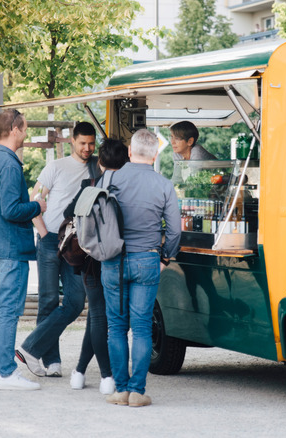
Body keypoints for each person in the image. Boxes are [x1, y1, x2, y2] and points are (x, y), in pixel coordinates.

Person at [15, 122, 101, 380]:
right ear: (72, 141)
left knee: (75, 302)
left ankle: (29, 348)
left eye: (91, 144)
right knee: (49, 301)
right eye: (83, 143)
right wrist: (42, 233)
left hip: (76, 244)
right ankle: (51, 360)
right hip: (51, 238)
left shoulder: (96, 167)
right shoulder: (56, 167)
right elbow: (35, 198)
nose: (87, 148)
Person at [103, 129, 181, 407]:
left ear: (129, 152)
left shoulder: (111, 178)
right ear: (155, 154)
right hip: (147, 260)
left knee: (116, 327)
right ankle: (137, 391)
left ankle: (120, 390)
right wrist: (165, 258)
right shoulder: (163, 185)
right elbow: (174, 231)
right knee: (142, 328)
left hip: (113, 260)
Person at [0, 109, 46, 390]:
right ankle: (6, 372)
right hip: (11, 248)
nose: (26, 133)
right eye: (25, 128)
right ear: (15, 129)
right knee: (7, 312)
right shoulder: (10, 164)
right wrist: (37, 206)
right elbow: (11, 209)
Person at [69, 138, 129, 393]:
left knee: (96, 317)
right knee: (105, 319)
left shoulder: (89, 186)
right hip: (120, 260)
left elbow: (67, 213)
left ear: (100, 162)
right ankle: (106, 375)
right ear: (126, 161)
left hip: (92, 261)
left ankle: (80, 372)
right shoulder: (128, 187)